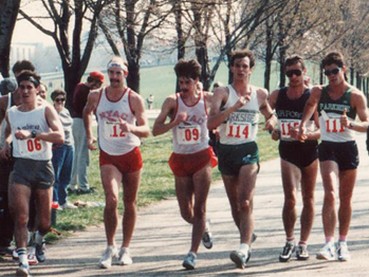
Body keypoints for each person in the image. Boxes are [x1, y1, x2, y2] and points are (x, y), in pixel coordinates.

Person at [207, 49, 276, 269]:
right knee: (236, 205)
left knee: (245, 201)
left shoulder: (259, 94)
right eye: (237, 66)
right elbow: (211, 123)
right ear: (232, 68)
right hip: (227, 151)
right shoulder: (222, 93)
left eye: (245, 66)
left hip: (248, 150)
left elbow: (270, 114)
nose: (240, 70)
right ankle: (248, 235)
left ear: (251, 69)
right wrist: (235, 107)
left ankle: (244, 249)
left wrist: (272, 122)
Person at [299, 51, 369, 261]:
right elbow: (309, 105)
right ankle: (328, 243)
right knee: (330, 192)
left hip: (347, 147)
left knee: (345, 198)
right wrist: (303, 124)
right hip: (328, 147)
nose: (331, 75)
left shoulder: (355, 95)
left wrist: (352, 124)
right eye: (327, 71)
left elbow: (367, 123)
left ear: (344, 70)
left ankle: (342, 242)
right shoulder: (319, 92)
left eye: (335, 70)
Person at [83, 57, 150, 269]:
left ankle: (125, 248)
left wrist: (130, 128)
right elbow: (86, 113)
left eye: (117, 73)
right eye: (110, 73)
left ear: (125, 75)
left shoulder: (134, 99)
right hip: (109, 155)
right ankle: (110, 246)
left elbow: (146, 130)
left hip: (131, 153)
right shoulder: (96, 95)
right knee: (111, 199)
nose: (113, 77)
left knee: (130, 202)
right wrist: (89, 135)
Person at [152, 59, 217, 270]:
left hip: (201, 157)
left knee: (200, 208)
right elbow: (155, 130)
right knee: (185, 212)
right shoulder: (172, 101)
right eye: (181, 82)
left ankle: (192, 253)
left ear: (197, 81)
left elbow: (221, 117)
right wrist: (175, 122)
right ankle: (204, 227)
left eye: (187, 82)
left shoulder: (207, 100)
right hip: (180, 159)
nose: (183, 86)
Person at [0, 70, 64, 276]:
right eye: (22, 87)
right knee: (21, 217)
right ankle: (23, 263)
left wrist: (34, 134)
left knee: (44, 223)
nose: (26, 91)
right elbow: (10, 130)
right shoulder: (12, 112)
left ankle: (39, 241)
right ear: (17, 89)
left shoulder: (46, 110)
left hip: (43, 168)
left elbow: (60, 137)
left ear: (37, 89)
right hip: (22, 168)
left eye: (30, 87)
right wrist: (7, 143)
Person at [268, 55, 320, 262]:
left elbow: (321, 129)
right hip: (288, 151)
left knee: (308, 197)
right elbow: (270, 117)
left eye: (297, 72)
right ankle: (289, 240)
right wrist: (272, 129)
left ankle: (303, 244)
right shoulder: (278, 94)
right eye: (289, 73)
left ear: (304, 71)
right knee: (290, 198)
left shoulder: (312, 96)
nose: (293, 77)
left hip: (309, 151)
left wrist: (308, 134)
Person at [0, 60, 35, 259]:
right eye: (19, 78)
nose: (23, 86)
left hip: (31, 156)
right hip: (8, 154)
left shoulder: (38, 100)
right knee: (6, 198)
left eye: (27, 80)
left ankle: (26, 242)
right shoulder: (6, 101)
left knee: (30, 200)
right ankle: (5, 240)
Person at [71, 71, 104, 194]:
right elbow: (88, 111)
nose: (98, 87)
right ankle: (83, 186)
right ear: (94, 81)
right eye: (98, 84)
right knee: (82, 155)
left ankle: (72, 183)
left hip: (76, 121)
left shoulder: (80, 87)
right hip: (81, 121)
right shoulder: (86, 91)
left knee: (77, 154)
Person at [50, 89, 76, 210]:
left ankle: (63, 200)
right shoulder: (52, 112)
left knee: (66, 175)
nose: (60, 102)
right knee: (56, 175)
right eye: (57, 100)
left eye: (62, 99)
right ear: (53, 101)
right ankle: (55, 201)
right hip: (59, 146)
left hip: (69, 145)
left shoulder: (66, 112)